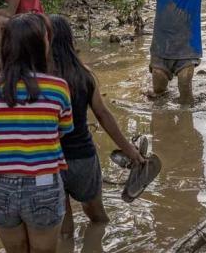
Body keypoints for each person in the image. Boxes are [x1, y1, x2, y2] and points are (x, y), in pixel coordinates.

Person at [0, 13, 73, 253]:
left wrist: (5, 133)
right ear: (43, 45)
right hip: (44, 187)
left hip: (1, 187)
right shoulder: (58, 88)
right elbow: (62, 131)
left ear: (6, 47)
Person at [48, 14, 145, 238]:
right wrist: (130, 151)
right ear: (70, 40)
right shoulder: (84, 75)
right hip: (82, 157)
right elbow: (103, 114)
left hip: (50, 159)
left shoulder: (39, 80)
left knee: (63, 223)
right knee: (97, 215)